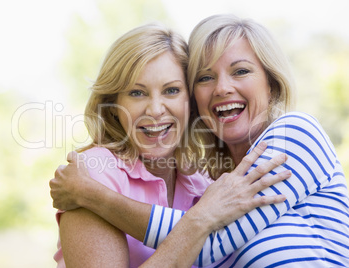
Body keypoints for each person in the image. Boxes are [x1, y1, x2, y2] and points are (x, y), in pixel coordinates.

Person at [52, 14, 349, 267]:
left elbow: (207, 245)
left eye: (241, 71)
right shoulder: (97, 172)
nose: (222, 88)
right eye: (205, 78)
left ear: (271, 84)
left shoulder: (294, 135)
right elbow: (199, 236)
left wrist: (94, 197)